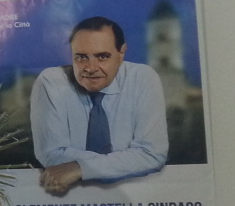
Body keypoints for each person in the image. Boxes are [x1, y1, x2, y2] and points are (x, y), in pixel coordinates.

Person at [30, 16, 167, 195]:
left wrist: (80, 168)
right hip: (68, 197)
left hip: (137, 194)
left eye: (102, 56)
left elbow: (151, 154)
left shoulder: (142, 79)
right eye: (81, 57)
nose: (91, 68)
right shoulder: (51, 82)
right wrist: (127, 160)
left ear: (121, 54)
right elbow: (51, 153)